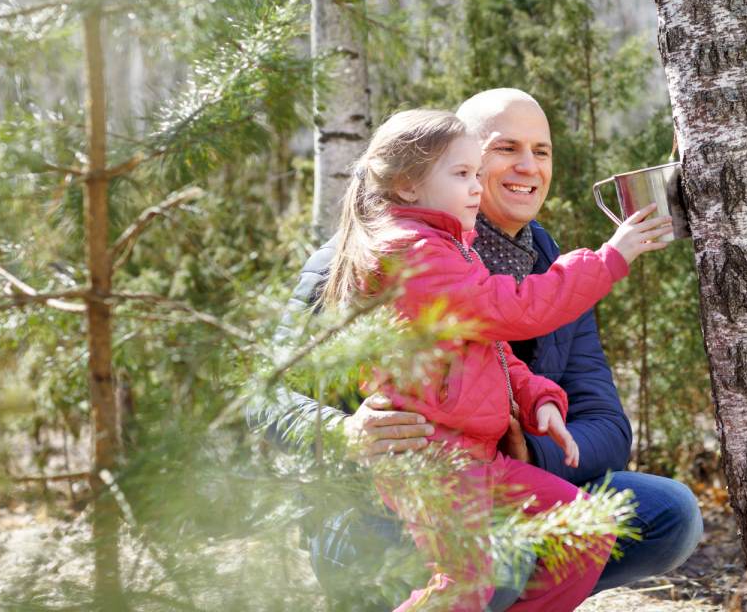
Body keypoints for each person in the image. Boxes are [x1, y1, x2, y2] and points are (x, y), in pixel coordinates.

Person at [249, 89, 704, 611]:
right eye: (504, 149)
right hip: (383, 503)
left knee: (658, 516)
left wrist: (535, 436)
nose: (528, 167)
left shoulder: (544, 262)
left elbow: (604, 421)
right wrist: (343, 431)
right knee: (495, 564)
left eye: (542, 150)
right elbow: (259, 396)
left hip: (491, 469)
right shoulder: (366, 256)